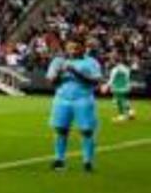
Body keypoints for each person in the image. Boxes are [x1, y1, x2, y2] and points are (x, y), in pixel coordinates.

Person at [46, 37, 103, 173]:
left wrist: (75, 72)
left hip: (83, 99)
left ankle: (87, 162)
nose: (73, 51)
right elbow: (51, 82)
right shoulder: (58, 61)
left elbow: (95, 82)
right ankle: (59, 159)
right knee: (60, 129)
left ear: (84, 48)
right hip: (61, 99)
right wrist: (60, 72)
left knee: (86, 131)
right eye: (70, 48)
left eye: (76, 48)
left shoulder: (91, 62)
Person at [107, 57, 134, 123]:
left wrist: (106, 86)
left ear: (114, 61)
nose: (111, 62)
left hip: (118, 88)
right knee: (125, 100)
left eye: (112, 60)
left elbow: (111, 79)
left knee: (119, 102)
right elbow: (127, 78)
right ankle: (131, 112)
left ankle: (122, 116)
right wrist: (128, 86)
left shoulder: (115, 69)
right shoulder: (126, 68)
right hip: (125, 87)